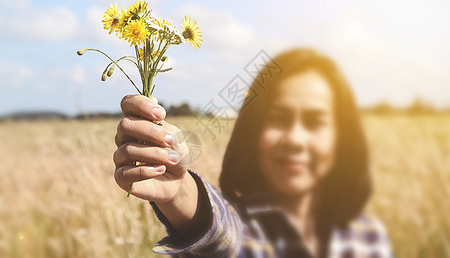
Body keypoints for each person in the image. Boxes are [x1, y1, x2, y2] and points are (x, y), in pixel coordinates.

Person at [113, 48, 393, 258]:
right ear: (254, 130)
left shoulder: (367, 237)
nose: (295, 139)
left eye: (315, 121)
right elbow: (220, 234)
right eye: (279, 119)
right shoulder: (242, 231)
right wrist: (178, 191)